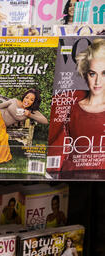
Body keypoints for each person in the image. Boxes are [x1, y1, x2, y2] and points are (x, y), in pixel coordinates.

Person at [58, 39, 105, 171]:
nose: (97, 81)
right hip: (74, 178)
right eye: (92, 74)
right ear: (85, 74)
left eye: (104, 73)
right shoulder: (70, 108)